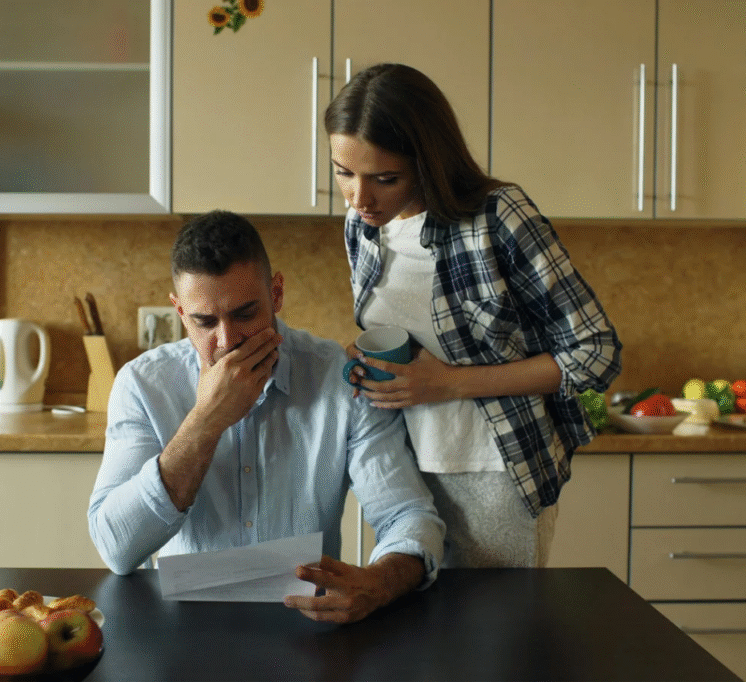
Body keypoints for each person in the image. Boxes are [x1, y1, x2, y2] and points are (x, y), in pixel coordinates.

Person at [324, 63, 622, 569]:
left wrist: (450, 384)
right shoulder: (362, 227)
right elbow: (412, 338)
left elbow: (595, 353)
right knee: (410, 640)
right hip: (401, 471)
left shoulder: (497, 216)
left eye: (385, 178)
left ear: (427, 160)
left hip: (493, 470)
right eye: (343, 172)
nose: (359, 198)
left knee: (491, 640)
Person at [88, 210, 445, 624]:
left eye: (244, 314)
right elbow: (117, 547)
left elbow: (409, 516)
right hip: (182, 627)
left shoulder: (339, 378)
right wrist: (206, 420)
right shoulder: (141, 385)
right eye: (204, 321)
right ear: (180, 312)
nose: (227, 341)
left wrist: (379, 582)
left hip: (309, 625)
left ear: (276, 295)